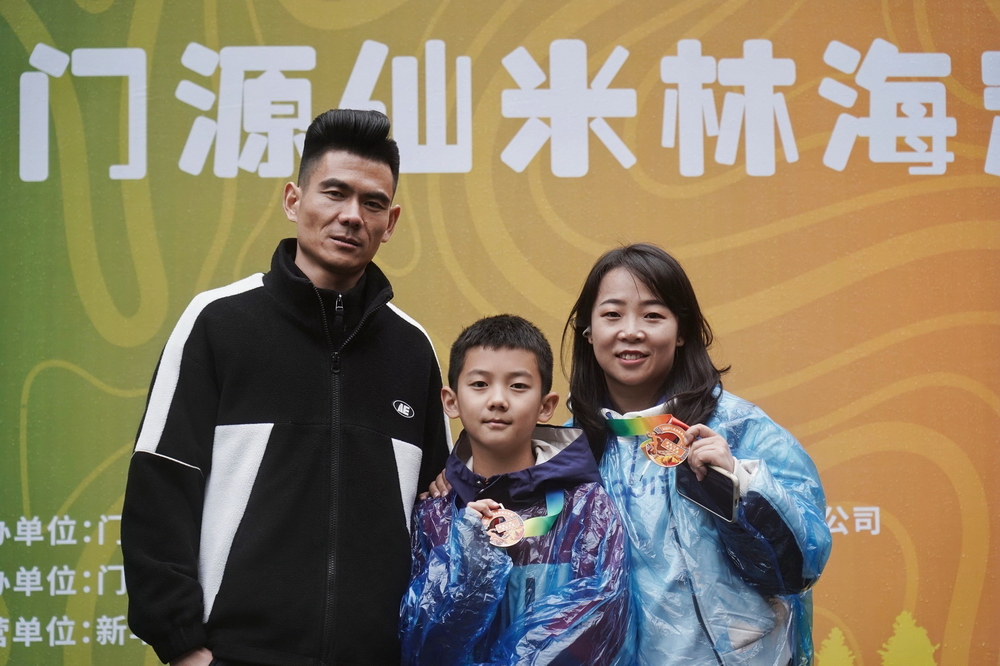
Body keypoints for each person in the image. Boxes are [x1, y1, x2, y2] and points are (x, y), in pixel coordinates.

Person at [121, 109, 450, 666]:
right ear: (294, 200)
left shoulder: (413, 350)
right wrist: (184, 649)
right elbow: (160, 488)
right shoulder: (217, 323)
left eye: (372, 203)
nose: (352, 216)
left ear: (391, 221)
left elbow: (436, 518)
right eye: (335, 193)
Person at [563, 243, 832, 665]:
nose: (631, 331)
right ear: (589, 331)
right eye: (612, 314)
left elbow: (799, 567)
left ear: (681, 331)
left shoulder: (739, 429)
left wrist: (739, 482)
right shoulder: (566, 452)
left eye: (653, 315)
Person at [400, 315, 631, 666]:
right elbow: (421, 642)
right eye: (480, 384)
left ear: (546, 406)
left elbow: (600, 622)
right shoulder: (435, 515)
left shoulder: (587, 508)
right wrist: (469, 564)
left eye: (518, 386)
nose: (498, 400)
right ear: (451, 401)